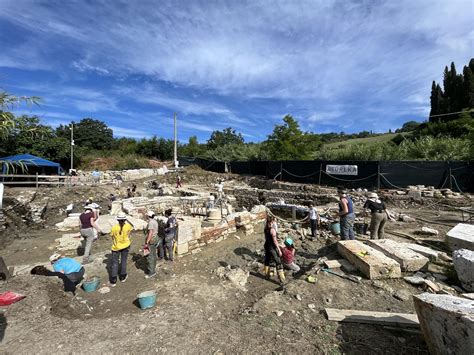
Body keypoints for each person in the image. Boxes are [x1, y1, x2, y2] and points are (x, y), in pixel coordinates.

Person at [109, 212, 133, 286]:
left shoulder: (114, 228)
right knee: (123, 261)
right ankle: (123, 277)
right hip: (126, 245)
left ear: (118, 220)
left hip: (116, 247)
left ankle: (113, 280)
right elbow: (129, 234)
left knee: (115, 263)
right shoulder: (128, 226)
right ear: (125, 219)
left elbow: (112, 237)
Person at [263, 216, 286, 284]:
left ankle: (267, 275)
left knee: (267, 260)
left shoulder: (265, 228)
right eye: (274, 221)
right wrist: (279, 249)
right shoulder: (272, 230)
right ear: (272, 222)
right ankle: (282, 280)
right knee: (278, 262)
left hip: (266, 245)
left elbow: (266, 237)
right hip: (272, 247)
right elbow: (275, 241)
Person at [144, 210, 159, 278]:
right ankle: (153, 267)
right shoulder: (155, 221)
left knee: (150, 256)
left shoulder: (150, 223)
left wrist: (147, 242)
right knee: (153, 253)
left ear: (148, 216)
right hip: (156, 238)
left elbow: (150, 232)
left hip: (152, 239)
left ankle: (151, 272)